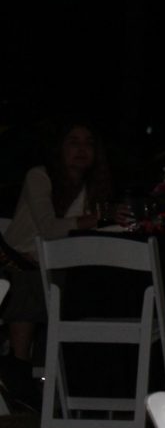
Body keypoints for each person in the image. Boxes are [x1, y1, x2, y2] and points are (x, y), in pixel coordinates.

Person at [2, 119, 120, 406]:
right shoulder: (39, 177)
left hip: (61, 268)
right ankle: (19, 367)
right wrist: (99, 218)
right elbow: (48, 228)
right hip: (17, 262)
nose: (81, 149)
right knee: (33, 281)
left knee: (86, 284)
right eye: (73, 142)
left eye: (88, 143)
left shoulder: (93, 188)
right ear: (60, 148)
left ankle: (75, 380)